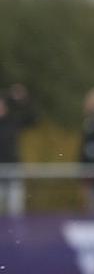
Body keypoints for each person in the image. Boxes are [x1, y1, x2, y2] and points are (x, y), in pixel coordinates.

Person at [0, 83, 35, 215]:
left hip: (13, 168)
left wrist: (23, 100)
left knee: (15, 209)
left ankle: (15, 235)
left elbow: (33, 118)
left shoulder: (12, 121)